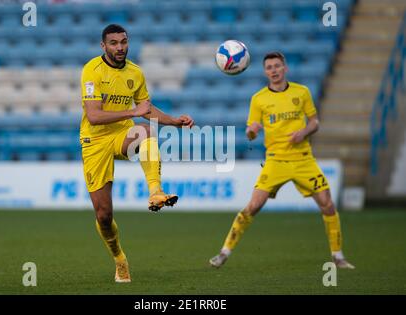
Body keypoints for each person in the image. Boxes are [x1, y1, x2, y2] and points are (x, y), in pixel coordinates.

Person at [209, 52, 354, 270]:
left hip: (303, 159)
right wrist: (252, 131)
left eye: (277, 66)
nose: (274, 70)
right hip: (275, 160)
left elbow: (315, 122)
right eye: (269, 67)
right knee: (254, 206)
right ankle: (224, 252)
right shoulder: (258, 99)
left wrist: (303, 132)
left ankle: (338, 256)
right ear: (265, 72)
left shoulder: (302, 92)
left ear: (285, 68)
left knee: (328, 204)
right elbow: (250, 131)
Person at [80, 24, 194, 283]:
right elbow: (94, 116)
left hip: (121, 135)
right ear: (103, 46)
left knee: (146, 132)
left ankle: (156, 192)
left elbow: (146, 109)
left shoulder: (135, 72)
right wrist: (132, 112)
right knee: (104, 215)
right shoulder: (92, 70)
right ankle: (120, 259)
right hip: (94, 140)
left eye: (123, 41)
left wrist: (175, 121)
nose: (120, 47)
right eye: (113, 43)